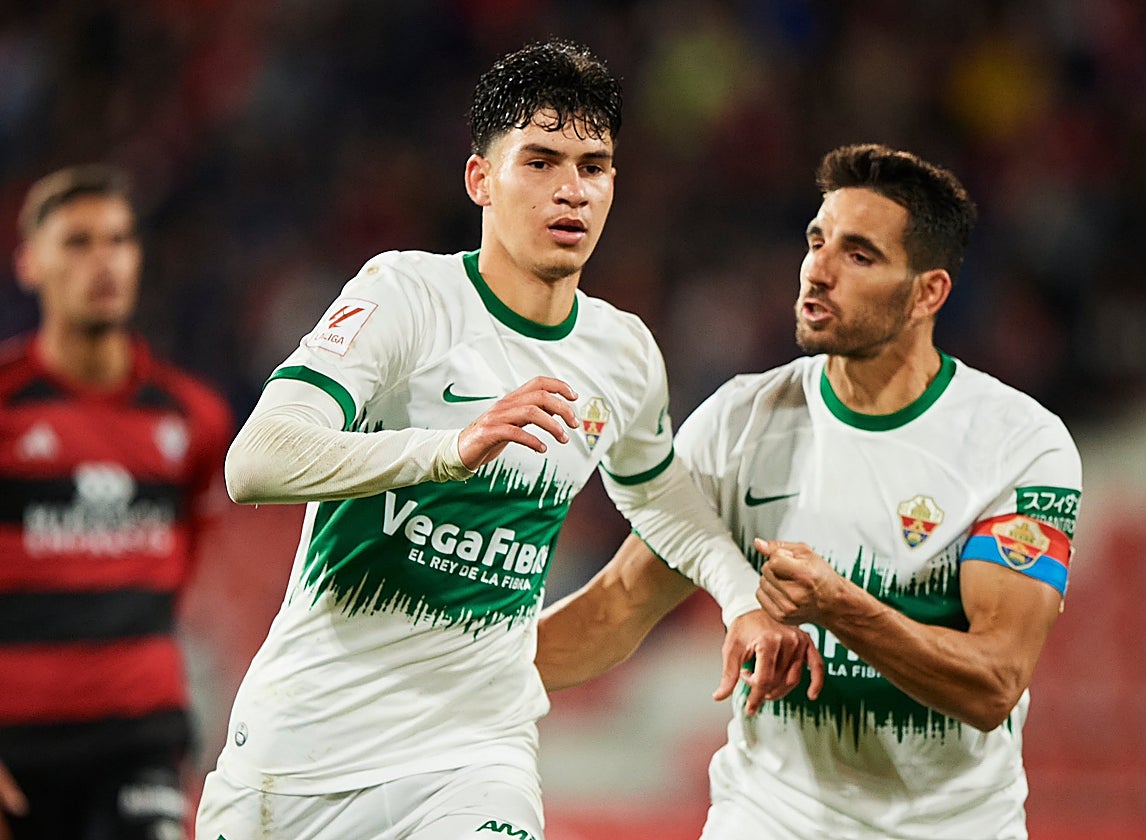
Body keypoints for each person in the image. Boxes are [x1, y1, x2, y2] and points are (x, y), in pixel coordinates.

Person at [194, 39, 815, 840]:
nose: (571, 190)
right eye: (542, 161)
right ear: (480, 179)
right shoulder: (408, 297)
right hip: (303, 756)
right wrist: (446, 449)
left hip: (477, 756)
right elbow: (256, 461)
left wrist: (740, 600)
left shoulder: (623, 355)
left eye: (593, 167)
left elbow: (662, 500)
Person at [537, 143, 1083, 840]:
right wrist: (449, 671)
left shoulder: (1016, 444)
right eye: (816, 241)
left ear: (928, 292)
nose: (818, 271)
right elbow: (619, 605)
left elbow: (993, 681)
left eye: (859, 255)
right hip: (768, 818)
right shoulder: (741, 421)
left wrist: (841, 608)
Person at [0, 165, 234, 840]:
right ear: (29, 263)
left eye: (119, 240)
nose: (103, 261)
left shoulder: (194, 418)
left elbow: (183, 558)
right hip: (16, 747)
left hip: (141, 740)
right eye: (77, 242)